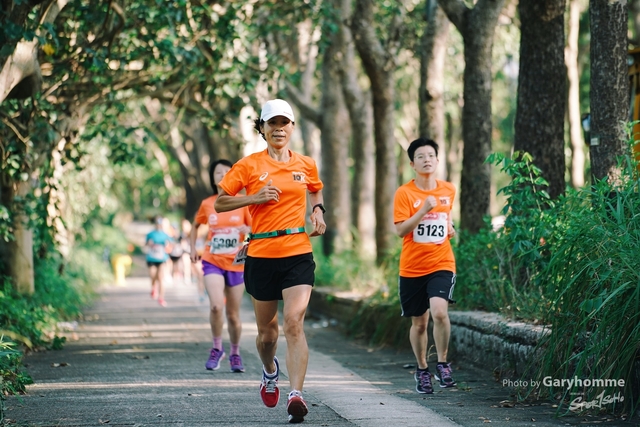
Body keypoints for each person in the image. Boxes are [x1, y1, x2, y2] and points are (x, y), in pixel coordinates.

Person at [214, 99, 326, 424]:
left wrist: (318, 211)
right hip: (261, 254)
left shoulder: (306, 164)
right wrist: (255, 197)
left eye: (284, 123)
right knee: (268, 335)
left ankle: (296, 394)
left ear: (292, 127)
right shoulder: (248, 165)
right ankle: (269, 370)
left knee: (293, 322)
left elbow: (316, 190)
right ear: (262, 129)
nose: (279, 129)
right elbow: (221, 202)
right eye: (272, 123)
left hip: (297, 251)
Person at [393, 137, 457, 395]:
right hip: (412, 268)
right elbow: (400, 230)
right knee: (419, 323)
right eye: (420, 156)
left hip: (441, 262)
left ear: (437, 160)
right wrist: (422, 211)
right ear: (412, 164)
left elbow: (446, 219)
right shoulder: (404, 193)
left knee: (439, 313)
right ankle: (422, 369)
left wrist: (450, 227)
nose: (426, 159)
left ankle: (442, 364)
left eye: (431, 155)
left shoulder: (448, 189)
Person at [190, 159, 252, 373]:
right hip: (212, 261)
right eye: (218, 172)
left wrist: (248, 229)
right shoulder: (208, 203)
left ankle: (235, 353)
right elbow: (195, 225)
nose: (223, 174)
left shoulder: (243, 201)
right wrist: (192, 248)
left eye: (228, 171)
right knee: (216, 306)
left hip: (236, 263)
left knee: (233, 314)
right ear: (212, 178)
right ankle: (217, 348)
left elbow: (256, 226)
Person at [145, 215, 173, 307]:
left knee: (161, 278)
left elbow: (172, 244)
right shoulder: (150, 234)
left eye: (160, 223)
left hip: (162, 259)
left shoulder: (165, 234)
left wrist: (168, 245)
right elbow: (146, 243)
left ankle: (161, 298)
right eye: (157, 223)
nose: (158, 225)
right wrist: (149, 243)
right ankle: (154, 287)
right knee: (153, 275)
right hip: (152, 258)